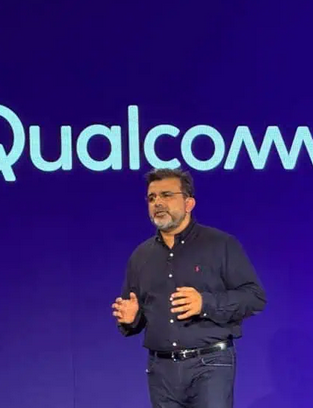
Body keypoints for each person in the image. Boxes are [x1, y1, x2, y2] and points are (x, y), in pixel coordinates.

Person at [112, 168, 266, 408]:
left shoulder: (220, 244)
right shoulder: (141, 256)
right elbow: (136, 316)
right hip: (161, 370)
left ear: (189, 203)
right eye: (152, 198)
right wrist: (131, 319)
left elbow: (254, 297)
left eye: (166, 195)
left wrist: (205, 303)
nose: (157, 203)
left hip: (210, 363)